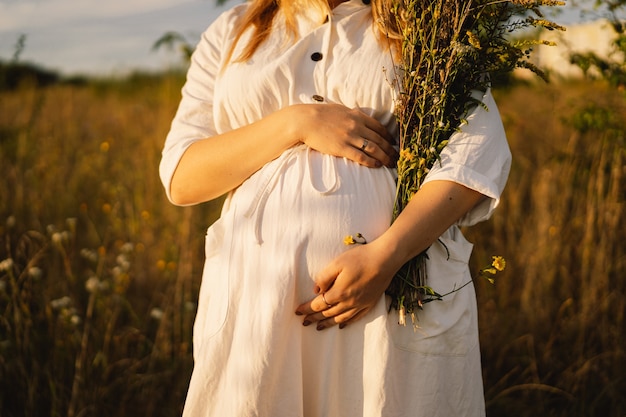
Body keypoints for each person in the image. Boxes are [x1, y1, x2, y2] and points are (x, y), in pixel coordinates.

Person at [159, 0, 511, 415]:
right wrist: (296, 123)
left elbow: (473, 156)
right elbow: (182, 177)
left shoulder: (429, 19)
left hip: (391, 288)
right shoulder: (236, 29)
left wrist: (388, 255)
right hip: (258, 294)